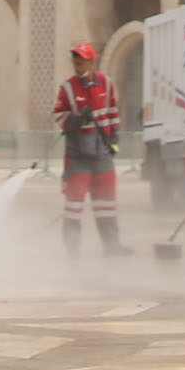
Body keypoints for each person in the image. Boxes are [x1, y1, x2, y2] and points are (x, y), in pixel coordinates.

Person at [53, 42, 127, 254]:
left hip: (102, 152)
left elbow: (113, 112)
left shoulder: (106, 84)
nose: (78, 66)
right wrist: (75, 118)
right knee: (74, 206)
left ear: (92, 62)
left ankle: (112, 245)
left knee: (106, 203)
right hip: (78, 156)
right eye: (75, 63)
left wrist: (114, 139)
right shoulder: (67, 88)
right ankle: (72, 249)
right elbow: (59, 115)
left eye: (82, 62)